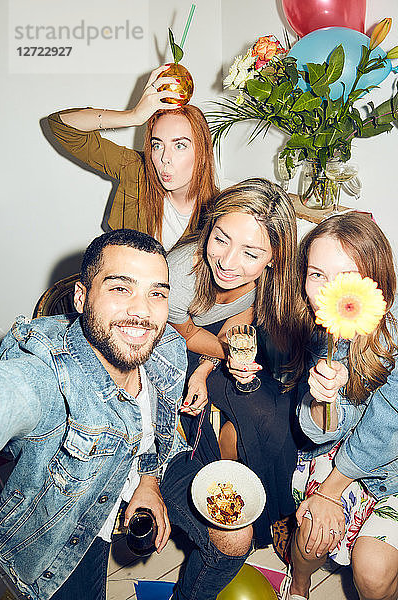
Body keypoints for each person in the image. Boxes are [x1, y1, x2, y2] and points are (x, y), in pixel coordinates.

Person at [0, 229, 253, 600]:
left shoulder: (166, 344)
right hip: (72, 519)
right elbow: (16, 393)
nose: (142, 312)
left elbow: (150, 425)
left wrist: (148, 481)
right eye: (121, 288)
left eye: (157, 293)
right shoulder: (47, 375)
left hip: (157, 463)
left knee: (235, 536)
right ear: (82, 298)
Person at [167, 178, 305, 548]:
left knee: (275, 413)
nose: (228, 263)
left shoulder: (277, 280)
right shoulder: (180, 275)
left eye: (250, 252)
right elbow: (187, 334)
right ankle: (251, 526)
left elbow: (242, 313)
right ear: (209, 226)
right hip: (177, 343)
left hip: (223, 342)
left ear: (274, 256)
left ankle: (276, 512)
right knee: (252, 415)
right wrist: (211, 362)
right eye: (221, 238)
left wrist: (224, 357)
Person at [283, 212, 398, 600]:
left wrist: (331, 490)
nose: (329, 291)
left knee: (373, 569)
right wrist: (320, 399)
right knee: (313, 530)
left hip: (390, 466)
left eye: (345, 277)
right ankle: (298, 586)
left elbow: (386, 430)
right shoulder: (325, 329)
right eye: (316, 275)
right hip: (343, 449)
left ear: (375, 279)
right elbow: (321, 428)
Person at [48, 65, 217, 251]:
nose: (164, 158)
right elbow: (61, 126)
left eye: (179, 145)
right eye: (157, 145)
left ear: (202, 151)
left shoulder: (220, 211)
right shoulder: (136, 171)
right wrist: (133, 116)